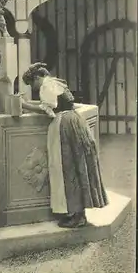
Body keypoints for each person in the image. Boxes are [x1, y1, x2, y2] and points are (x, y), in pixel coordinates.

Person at [21, 62, 108, 228]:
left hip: (64, 125)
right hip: (75, 120)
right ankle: (78, 213)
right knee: (76, 166)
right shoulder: (57, 83)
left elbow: (48, 109)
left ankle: (77, 216)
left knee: (66, 168)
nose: (33, 87)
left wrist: (24, 105)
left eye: (33, 83)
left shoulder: (46, 86)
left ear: (38, 77)